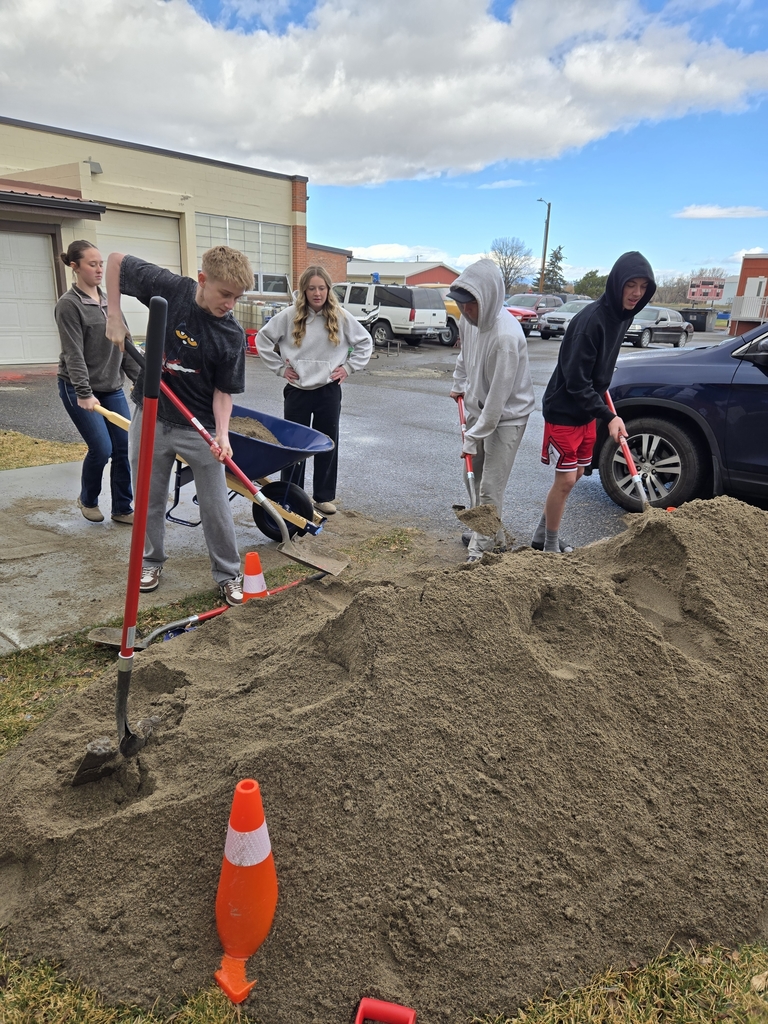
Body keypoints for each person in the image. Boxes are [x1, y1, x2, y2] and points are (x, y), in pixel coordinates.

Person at [104, 245, 253, 606]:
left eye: (237, 297)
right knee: (149, 497)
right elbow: (116, 261)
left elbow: (223, 392)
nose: (230, 304)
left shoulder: (230, 335)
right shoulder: (172, 289)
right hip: (152, 413)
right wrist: (113, 313)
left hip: (197, 424)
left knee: (215, 505)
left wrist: (221, 433)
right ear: (203, 281)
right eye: (225, 294)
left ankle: (229, 573)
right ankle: (150, 561)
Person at [533, 251, 656, 554]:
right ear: (617, 283)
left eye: (643, 287)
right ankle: (548, 547)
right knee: (564, 481)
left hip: (586, 411)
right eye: (631, 285)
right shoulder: (591, 322)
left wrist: (602, 393)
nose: (636, 293)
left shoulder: (622, 317)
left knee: (574, 476)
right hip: (564, 411)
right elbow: (576, 383)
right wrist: (608, 416)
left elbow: (595, 373)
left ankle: (541, 533)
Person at [256, 265, 373, 514]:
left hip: (328, 391)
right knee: (293, 445)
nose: (317, 293)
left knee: (327, 443)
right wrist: (280, 368)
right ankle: (290, 494)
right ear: (304, 291)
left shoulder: (340, 316)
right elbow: (263, 339)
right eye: (311, 288)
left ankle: (323, 496)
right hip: (297, 390)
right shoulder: (289, 316)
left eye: (321, 288)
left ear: (328, 289)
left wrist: (348, 368)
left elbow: (365, 342)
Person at [448, 258, 535, 562]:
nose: (464, 311)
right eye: (460, 305)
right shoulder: (468, 320)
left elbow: (497, 405)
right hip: (478, 406)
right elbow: (464, 356)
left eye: (469, 305)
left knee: (489, 485)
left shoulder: (506, 338)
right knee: (470, 473)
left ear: (486, 299)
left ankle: (480, 551)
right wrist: (459, 382)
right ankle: (488, 531)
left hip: (508, 416)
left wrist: (472, 438)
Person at [55, 240, 140, 525]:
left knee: (123, 448)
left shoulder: (109, 301)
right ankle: (88, 499)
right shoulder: (69, 305)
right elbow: (73, 353)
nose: (99, 269)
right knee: (102, 448)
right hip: (79, 389)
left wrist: (143, 383)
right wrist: (84, 392)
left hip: (111, 387)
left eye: (101, 263)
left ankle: (122, 508)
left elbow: (124, 345)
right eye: (92, 264)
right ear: (74, 267)